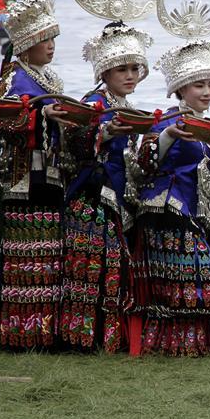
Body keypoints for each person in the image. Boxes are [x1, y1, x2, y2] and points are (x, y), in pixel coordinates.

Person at [60, 23, 152, 352]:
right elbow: (74, 142)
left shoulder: (124, 104)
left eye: (134, 68)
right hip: (92, 194)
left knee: (114, 265)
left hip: (121, 194)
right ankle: (85, 338)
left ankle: (108, 337)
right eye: (122, 69)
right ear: (105, 71)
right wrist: (107, 133)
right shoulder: (94, 102)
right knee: (96, 264)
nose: (130, 75)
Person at [130, 40, 210, 356]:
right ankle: (173, 343)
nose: (207, 92)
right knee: (203, 272)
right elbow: (144, 162)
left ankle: (189, 344)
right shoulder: (166, 120)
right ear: (181, 89)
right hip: (168, 208)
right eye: (199, 85)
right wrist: (170, 136)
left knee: (205, 273)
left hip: (197, 213)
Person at [0, 0, 70, 349]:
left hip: (50, 174)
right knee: (25, 256)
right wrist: (42, 115)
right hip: (24, 179)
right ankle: (22, 333)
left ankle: (44, 330)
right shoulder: (15, 81)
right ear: (26, 46)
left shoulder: (45, 77)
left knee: (48, 255)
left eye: (53, 39)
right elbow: (5, 123)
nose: (51, 46)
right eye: (44, 40)